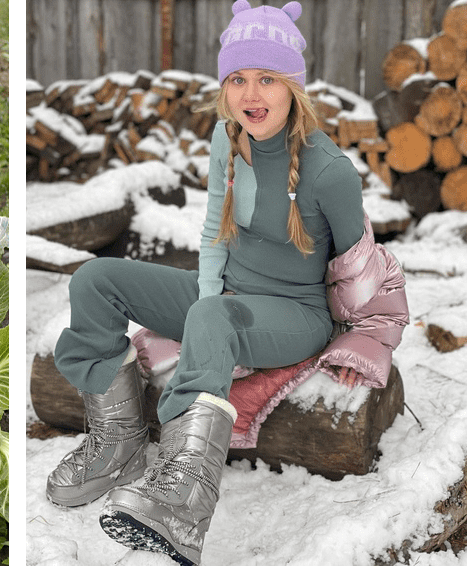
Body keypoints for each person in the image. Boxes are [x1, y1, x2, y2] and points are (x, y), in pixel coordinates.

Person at [46, 1, 408, 565]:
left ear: (293, 86)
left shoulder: (329, 170)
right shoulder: (226, 138)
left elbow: (359, 266)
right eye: (238, 79)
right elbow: (215, 228)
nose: (251, 94)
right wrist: (208, 298)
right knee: (95, 279)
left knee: (213, 318)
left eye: (267, 78)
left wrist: (358, 341)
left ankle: (183, 504)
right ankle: (117, 442)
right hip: (228, 297)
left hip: (295, 316)